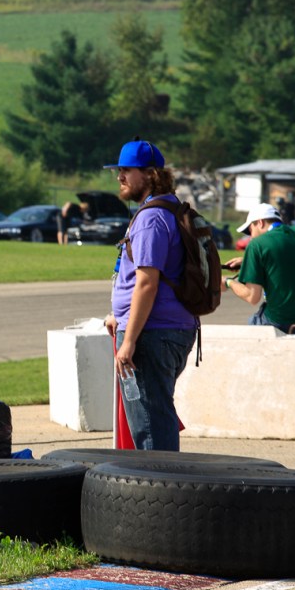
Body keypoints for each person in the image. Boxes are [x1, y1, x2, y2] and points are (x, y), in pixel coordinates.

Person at [102, 139, 197, 451]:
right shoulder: (170, 208)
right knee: (155, 416)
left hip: (151, 334)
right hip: (167, 328)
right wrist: (119, 315)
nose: (120, 176)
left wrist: (129, 340)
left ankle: (162, 479)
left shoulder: (151, 218)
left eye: (127, 170)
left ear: (150, 174)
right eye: (118, 170)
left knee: (151, 427)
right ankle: (163, 475)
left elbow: (147, 283)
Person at [222, 203, 295, 335]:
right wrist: (248, 262)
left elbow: (252, 296)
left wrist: (228, 282)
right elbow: (286, 256)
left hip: (282, 321)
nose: (251, 236)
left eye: (250, 230)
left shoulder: (256, 244)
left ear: (260, 223)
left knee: (253, 322)